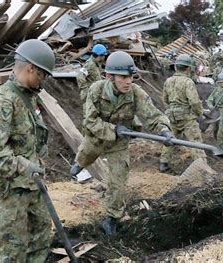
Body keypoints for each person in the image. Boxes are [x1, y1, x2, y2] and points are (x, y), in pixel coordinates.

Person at [69, 51, 173, 235]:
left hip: (119, 144)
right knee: (85, 155)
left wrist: (164, 130)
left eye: (131, 76)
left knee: (118, 181)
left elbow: (153, 115)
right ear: (109, 76)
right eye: (123, 77)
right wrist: (112, 129)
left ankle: (111, 218)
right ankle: (79, 163)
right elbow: (89, 121)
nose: (128, 81)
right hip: (96, 138)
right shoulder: (96, 90)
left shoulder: (136, 93)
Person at [0, 39, 55, 262]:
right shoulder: (2, 101)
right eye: (43, 75)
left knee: (40, 237)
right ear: (31, 69)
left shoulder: (28, 97)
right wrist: (22, 165)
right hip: (12, 189)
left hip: (32, 184)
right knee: (13, 248)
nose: (44, 80)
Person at [159, 54, 207, 172]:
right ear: (188, 68)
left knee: (170, 139)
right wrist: (199, 113)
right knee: (195, 142)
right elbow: (194, 102)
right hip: (186, 117)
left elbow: (164, 99)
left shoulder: (168, 81)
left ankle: (163, 163)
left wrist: (171, 110)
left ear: (175, 67)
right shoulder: (188, 82)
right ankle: (203, 169)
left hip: (172, 116)